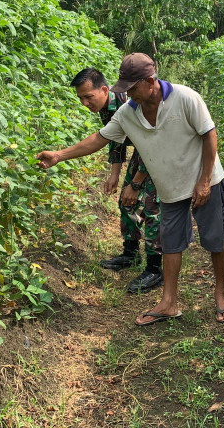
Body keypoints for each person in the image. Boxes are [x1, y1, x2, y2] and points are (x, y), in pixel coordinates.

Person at [38, 54, 224, 325]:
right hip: (169, 186)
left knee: (216, 239)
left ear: (150, 81)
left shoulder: (186, 97)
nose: (128, 93)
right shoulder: (128, 112)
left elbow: (209, 135)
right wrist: (59, 155)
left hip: (205, 179)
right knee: (170, 244)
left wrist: (203, 181)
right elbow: (99, 139)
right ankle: (168, 303)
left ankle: (220, 294)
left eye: (132, 87)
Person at [70, 68, 163, 293]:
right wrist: (114, 174)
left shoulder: (128, 103)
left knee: (151, 207)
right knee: (126, 202)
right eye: (80, 98)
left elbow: (150, 144)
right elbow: (115, 139)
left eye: (88, 97)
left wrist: (136, 183)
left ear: (104, 90)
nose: (84, 103)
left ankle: (155, 269)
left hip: (159, 153)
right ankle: (130, 255)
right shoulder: (107, 106)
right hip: (141, 152)